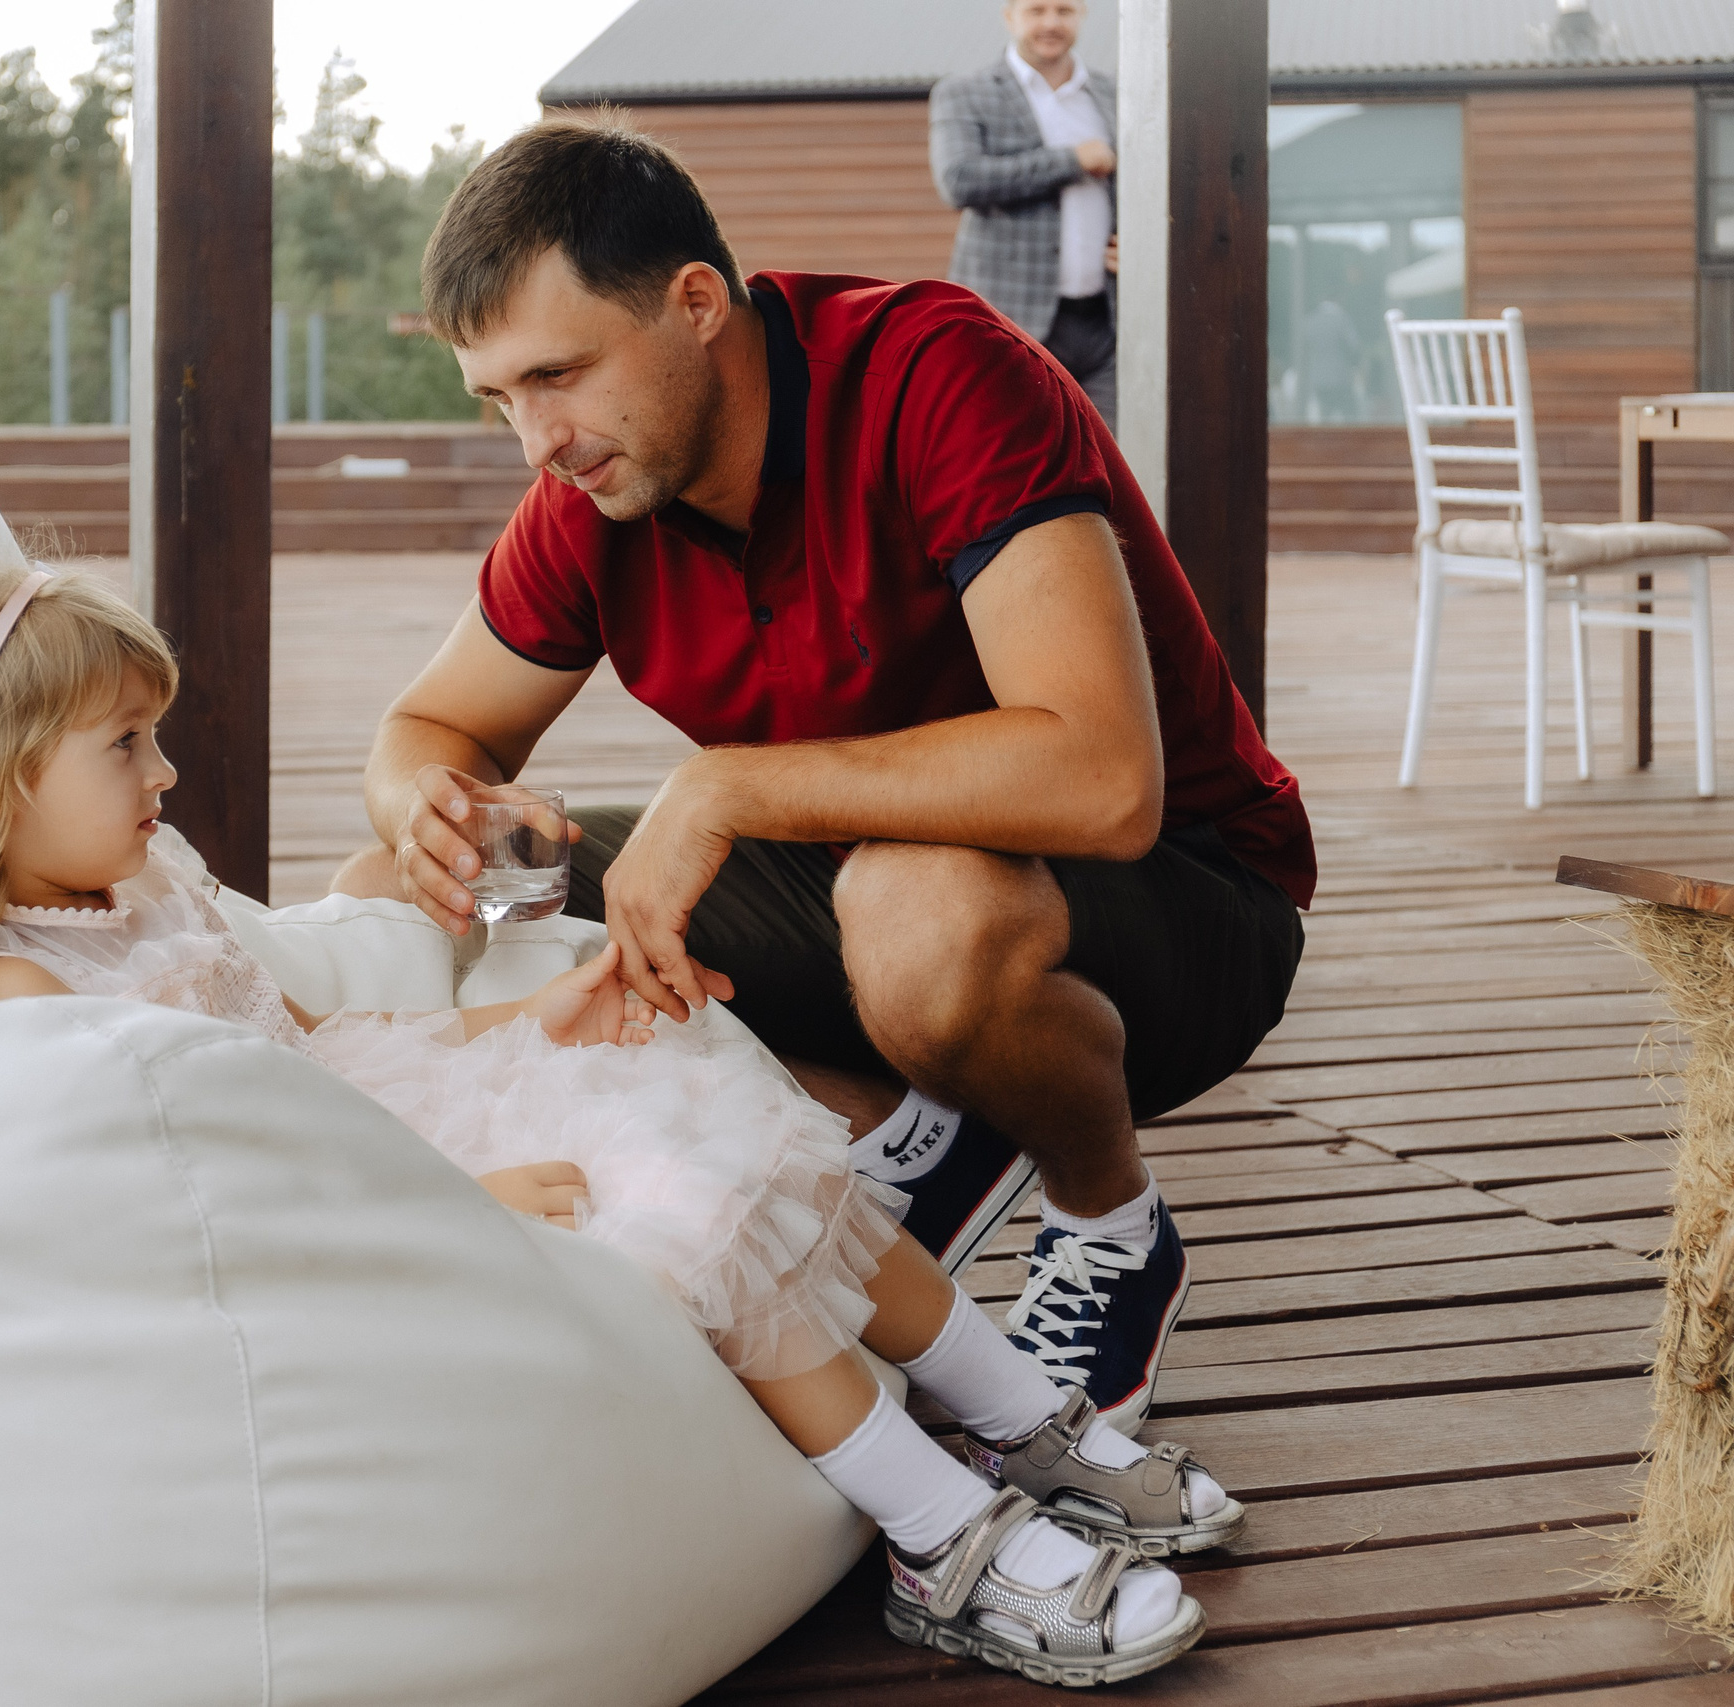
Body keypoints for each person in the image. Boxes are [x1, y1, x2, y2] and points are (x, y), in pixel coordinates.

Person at [0, 546, 1238, 1684]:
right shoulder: (24, 983)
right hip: (366, 1177)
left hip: (384, 1102)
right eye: (125, 745)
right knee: (685, 1201)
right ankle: (941, 1531)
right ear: (5, 772)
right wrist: (446, 1203)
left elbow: (312, 1040)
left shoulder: (147, 887)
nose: (165, 774)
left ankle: (1020, 1413)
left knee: (746, 1124)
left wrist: (531, 1021)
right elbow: (192, 1180)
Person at [333, 119, 1314, 1435]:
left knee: (919, 915)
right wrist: (430, 812)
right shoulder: (592, 491)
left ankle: (1106, 1217)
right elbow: (429, 730)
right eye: (499, 395)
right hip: (863, 887)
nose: (537, 441)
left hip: (1182, 900)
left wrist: (726, 790)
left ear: (695, 304)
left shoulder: (938, 372)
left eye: (556, 375)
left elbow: (1102, 775)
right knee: (403, 891)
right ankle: (894, 1125)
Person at [930, 0, 1120, 424]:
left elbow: (1142, 184)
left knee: (1109, 468)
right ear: (1010, 16)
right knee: (1015, 466)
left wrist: (1141, 243)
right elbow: (958, 180)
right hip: (1009, 321)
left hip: (1105, 326)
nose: (1051, 22)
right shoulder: (964, 93)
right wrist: (1071, 160)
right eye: (1037, 10)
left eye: (1064, 10)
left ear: (1082, 15)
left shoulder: (1114, 94)